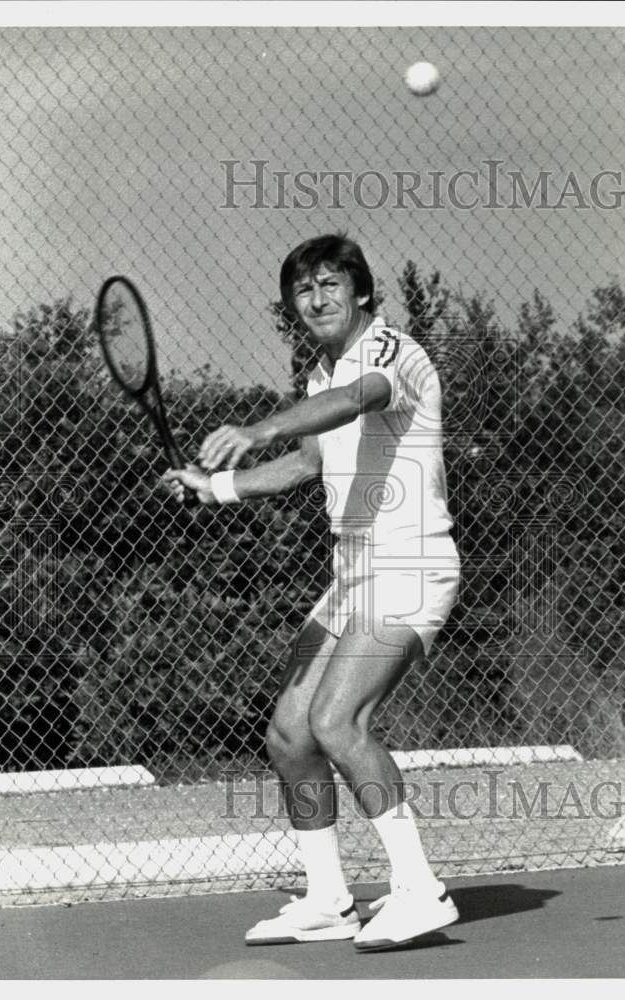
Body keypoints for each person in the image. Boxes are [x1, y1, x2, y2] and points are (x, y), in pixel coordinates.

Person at [163, 234, 460, 950]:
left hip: (410, 563)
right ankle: (329, 900)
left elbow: (359, 399)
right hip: (352, 573)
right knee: (290, 735)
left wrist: (257, 426)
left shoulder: (393, 352)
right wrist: (216, 487)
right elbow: (304, 464)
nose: (318, 298)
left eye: (331, 284)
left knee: (337, 720)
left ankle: (422, 890)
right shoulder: (323, 370)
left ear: (361, 291)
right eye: (304, 290)